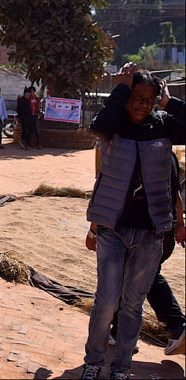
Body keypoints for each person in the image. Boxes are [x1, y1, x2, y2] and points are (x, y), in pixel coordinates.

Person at [79, 64, 185, 380]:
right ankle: (93, 362)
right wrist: (121, 88)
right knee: (108, 301)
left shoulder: (163, 125)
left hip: (151, 233)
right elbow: (97, 127)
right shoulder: (115, 125)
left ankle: (122, 368)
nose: (143, 104)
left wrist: (168, 102)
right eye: (138, 97)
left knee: (132, 306)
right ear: (128, 97)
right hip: (113, 228)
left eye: (149, 100)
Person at [109, 152, 186, 356]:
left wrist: (95, 228)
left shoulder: (132, 152)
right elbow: (176, 194)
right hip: (165, 228)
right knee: (138, 277)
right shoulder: (168, 154)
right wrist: (179, 224)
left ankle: (176, 326)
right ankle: (121, 333)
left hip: (145, 230)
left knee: (138, 278)